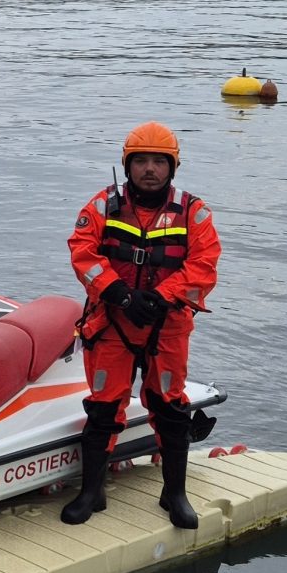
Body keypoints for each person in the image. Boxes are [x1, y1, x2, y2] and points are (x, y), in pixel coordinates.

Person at [63, 121, 220, 529]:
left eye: (158, 162)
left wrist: (162, 297)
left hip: (165, 327)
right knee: (102, 409)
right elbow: (82, 251)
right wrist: (119, 294)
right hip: (112, 323)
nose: (149, 169)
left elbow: (203, 265)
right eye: (141, 161)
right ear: (127, 165)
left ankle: (175, 493)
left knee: (170, 408)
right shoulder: (101, 206)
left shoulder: (194, 211)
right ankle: (91, 492)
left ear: (172, 167)